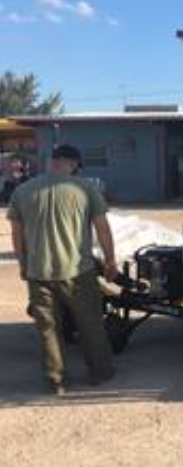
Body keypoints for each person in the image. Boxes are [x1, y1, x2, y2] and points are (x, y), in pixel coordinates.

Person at [7, 144, 118, 395]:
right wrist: (110, 260)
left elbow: (17, 234)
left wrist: (23, 263)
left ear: (51, 161)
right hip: (78, 271)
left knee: (48, 329)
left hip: (38, 272)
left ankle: (56, 381)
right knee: (90, 324)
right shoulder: (85, 188)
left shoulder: (22, 191)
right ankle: (101, 372)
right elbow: (102, 227)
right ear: (73, 164)